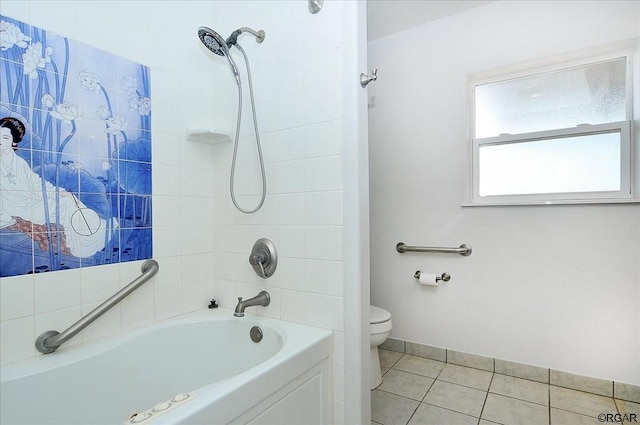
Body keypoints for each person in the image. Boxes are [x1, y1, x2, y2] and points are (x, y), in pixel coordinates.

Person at [1, 116, 110, 258]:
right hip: (15, 206)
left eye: (4, 138)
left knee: (68, 199)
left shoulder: (19, 162)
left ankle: (92, 233)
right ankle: (82, 244)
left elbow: (36, 182)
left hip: (30, 200)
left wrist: (58, 192)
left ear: (14, 141)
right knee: (65, 204)